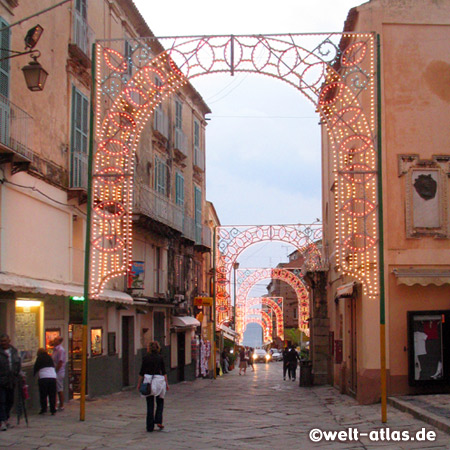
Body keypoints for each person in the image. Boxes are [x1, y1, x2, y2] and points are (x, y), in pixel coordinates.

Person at [137, 341, 169, 432]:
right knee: (160, 401)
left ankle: (149, 426)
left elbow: (141, 372)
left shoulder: (145, 358)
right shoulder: (160, 358)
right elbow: (164, 372)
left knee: (150, 404)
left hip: (148, 382)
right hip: (159, 382)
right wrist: (166, 383)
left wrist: (139, 384)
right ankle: (158, 420)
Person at [0, 334, 21, 431]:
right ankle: (3, 421)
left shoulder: (14, 351)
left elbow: (18, 364)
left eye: (5, 341)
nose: (3, 343)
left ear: (9, 340)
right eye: (1, 341)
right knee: (2, 401)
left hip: (12, 381)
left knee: (10, 400)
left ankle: (6, 418)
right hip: (1, 381)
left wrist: (19, 374)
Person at [33, 348, 57, 415]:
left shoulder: (39, 358)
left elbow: (36, 367)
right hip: (52, 377)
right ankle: (53, 410)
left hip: (43, 377)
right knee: (52, 394)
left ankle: (44, 409)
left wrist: (34, 374)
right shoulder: (49, 357)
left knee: (43, 394)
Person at [52, 337, 66, 411]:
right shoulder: (55, 349)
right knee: (55, 388)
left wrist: (55, 371)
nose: (54, 341)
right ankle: (55, 404)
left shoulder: (60, 350)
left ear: (59, 341)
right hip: (54, 370)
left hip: (59, 372)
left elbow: (60, 362)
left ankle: (61, 405)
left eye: (56, 340)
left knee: (59, 388)